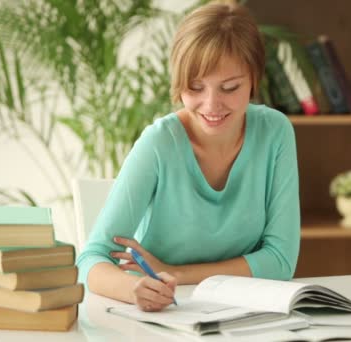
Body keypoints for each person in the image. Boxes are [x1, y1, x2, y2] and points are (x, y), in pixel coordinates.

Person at [76, 2, 300, 312]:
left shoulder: (275, 132)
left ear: (253, 79)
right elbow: (91, 258)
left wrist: (178, 273)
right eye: (195, 87)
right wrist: (135, 289)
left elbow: (280, 260)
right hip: (162, 315)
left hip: (244, 312)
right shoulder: (158, 144)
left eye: (229, 87)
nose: (211, 105)